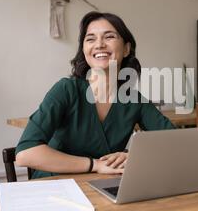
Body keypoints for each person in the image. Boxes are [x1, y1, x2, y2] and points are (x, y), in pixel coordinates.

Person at [15, 11, 175, 178]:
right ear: (84, 49)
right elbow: (25, 153)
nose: (99, 44)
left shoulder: (134, 100)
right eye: (90, 39)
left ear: (126, 48)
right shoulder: (66, 90)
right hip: (52, 186)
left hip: (101, 188)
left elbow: (176, 142)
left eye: (109, 37)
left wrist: (136, 156)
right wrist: (95, 165)